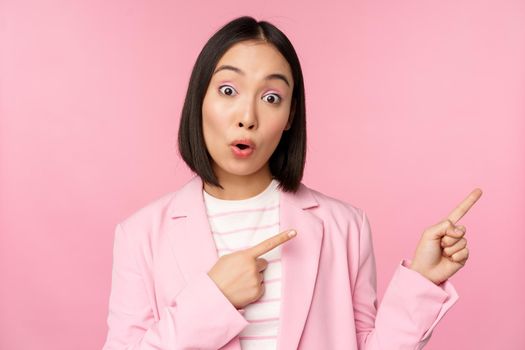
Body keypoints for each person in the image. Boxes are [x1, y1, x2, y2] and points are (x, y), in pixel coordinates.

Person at [101, 15, 482, 350]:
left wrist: (423, 282)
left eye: (271, 97)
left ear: (289, 115)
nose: (247, 116)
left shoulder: (344, 226)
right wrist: (214, 298)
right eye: (228, 90)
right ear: (199, 99)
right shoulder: (140, 235)